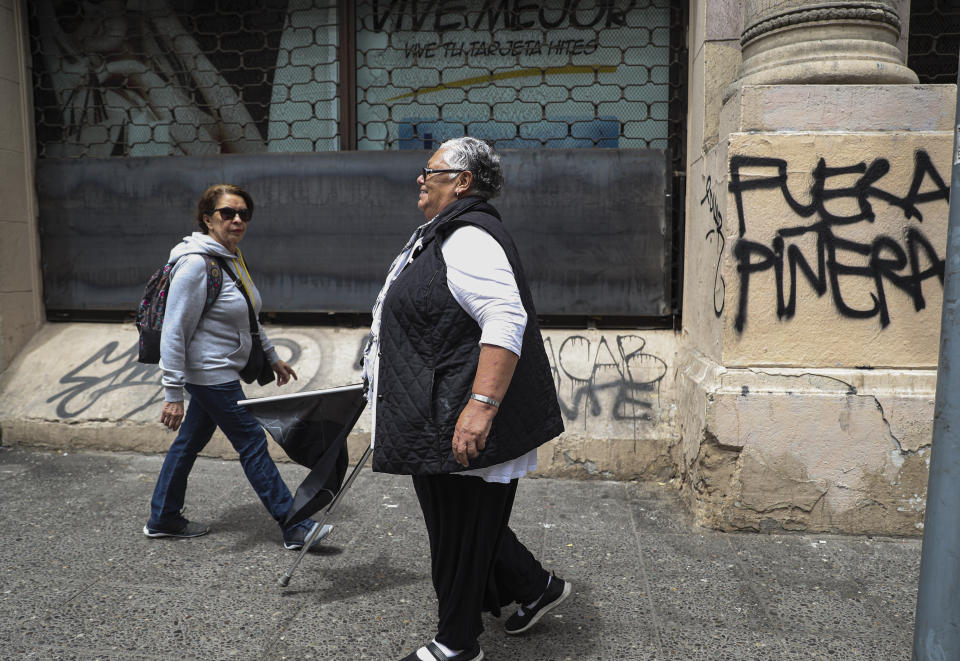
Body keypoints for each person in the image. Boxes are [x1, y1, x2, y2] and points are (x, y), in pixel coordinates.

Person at [363, 137, 572, 661]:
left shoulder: (469, 238)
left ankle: (457, 644)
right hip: (431, 407)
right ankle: (535, 587)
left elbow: (505, 319)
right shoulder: (443, 233)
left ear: (461, 181)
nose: (420, 178)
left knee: (458, 530)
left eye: (429, 171)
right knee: (467, 523)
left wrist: (481, 406)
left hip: (455, 412)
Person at [143, 183, 328, 551]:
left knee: (190, 441)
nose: (237, 219)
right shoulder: (196, 264)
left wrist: (272, 356)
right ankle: (293, 525)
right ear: (208, 219)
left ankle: (163, 517)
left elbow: (249, 315)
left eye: (244, 213)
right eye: (227, 213)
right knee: (251, 440)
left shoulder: (230, 258)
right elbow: (174, 332)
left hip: (218, 370)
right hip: (210, 373)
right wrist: (172, 393)